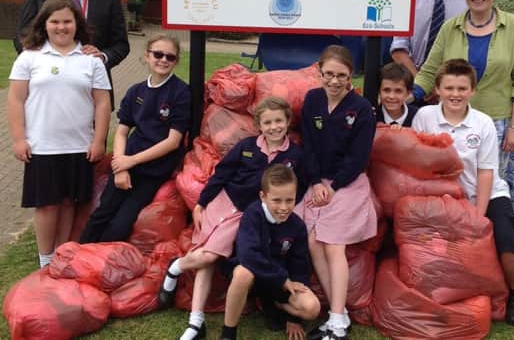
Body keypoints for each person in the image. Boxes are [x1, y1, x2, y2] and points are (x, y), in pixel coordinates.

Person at [158, 96, 306, 340]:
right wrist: (202, 203)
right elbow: (222, 174)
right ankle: (195, 321)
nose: (274, 127)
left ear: (288, 121)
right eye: (267, 123)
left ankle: (176, 268)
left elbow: (299, 187)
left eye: (279, 121)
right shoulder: (247, 146)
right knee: (207, 256)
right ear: (259, 125)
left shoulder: (295, 155)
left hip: (249, 213)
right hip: (225, 201)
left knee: (210, 255)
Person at [413, 0, 514, 224]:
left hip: (499, 123)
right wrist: (408, 97)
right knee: (456, 186)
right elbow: (430, 70)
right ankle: (460, 242)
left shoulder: (513, 26)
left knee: (497, 189)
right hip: (453, 123)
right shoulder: (450, 28)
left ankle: (501, 242)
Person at [412, 59, 514, 326]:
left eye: (462, 88)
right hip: (442, 196)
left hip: (485, 193)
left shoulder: (483, 123)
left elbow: (487, 171)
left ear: (472, 91)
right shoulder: (424, 117)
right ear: (437, 90)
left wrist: (478, 215)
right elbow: (417, 164)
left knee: (508, 243)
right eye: (449, 87)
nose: (455, 94)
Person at [7, 0, 111, 268]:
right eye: (55, 21)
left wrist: (99, 140)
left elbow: (102, 103)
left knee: (68, 203)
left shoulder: (92, 61)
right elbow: (16, 100)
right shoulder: (30, 57)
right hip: (42, 146)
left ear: (77, 24)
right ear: (45, 24)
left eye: (67, 21)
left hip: (79, 146)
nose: (61, 27)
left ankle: (61, 256)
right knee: (47, 205)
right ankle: (45, 260)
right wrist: (19, 139)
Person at [297, 45, 377, 340]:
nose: (333, 81)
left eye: (340, 75)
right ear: (319, 72)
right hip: (318, 181)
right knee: (312, 240)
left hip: (348, 182)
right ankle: (338, 316)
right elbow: (308, 145)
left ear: (350, 76)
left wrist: (333, 185)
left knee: (333, 244)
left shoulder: (362, 109)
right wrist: (316, 181)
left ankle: (336, 321)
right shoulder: (312, 99)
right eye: (328, 74)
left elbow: (358, 158)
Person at [79, 36, 190, 243]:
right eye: (158, 54)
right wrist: (120, 166)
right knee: (101, 214)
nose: (163, 60)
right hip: (127, 163)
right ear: (147, 56)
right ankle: (77, 256)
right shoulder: (135, 91)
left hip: (152, 171)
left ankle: (102, 263)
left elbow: (173, 141)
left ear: (176, 61)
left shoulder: (181, 92)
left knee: (122, 224)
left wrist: (132, 161)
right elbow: (122, 132)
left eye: (170, 57)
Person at [220, 164, 320, 340]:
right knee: (244, 273)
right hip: (254, 275)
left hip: (277, 283)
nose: (283, 207)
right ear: (263, 196)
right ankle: (228, 333)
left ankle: (275, 305)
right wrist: (281, 279)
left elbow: (300, 267)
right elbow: (248, 255)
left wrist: (293, 319)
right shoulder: (253, 214)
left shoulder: (297, 225)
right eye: (277, 200)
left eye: (289, 200)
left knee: (312, 307)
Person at [375, 62, 418, 127]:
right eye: (386, 90)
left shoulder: (417, 116)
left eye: (398, 91)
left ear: (408, 93)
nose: (391, 96)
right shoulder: (372, 115)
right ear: (379, 91)